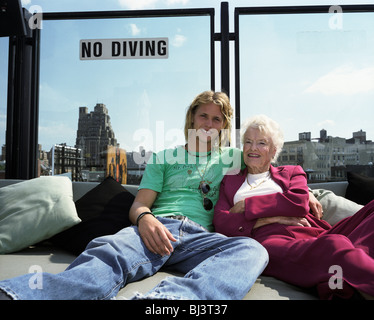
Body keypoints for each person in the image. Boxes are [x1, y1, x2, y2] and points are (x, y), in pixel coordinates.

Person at [0, 91, 268, 300]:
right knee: (108, 254)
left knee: (252, 251)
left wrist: (307, 200)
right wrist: (145, 220)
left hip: (201, 237)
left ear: (223, 126)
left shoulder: (234, 158)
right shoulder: (163, 157)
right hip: (158, 227)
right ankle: (18, 294)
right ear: (192, 119)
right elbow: (140, 204)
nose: (209, 124)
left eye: (217, 119)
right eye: (203, 116)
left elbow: (272, 172)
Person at [213, 114, 374, 300]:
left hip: (315, 232)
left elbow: (298, 203)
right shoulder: (231, 180)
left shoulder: (292, 172)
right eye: (248, 142)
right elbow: (222, 222)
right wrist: (271, 218)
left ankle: (341, 275)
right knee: (334, 246)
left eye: (261, 143)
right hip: (270, 240)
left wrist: (247, 205)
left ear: (274, 151)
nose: (253, 148)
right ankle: (346, 270)